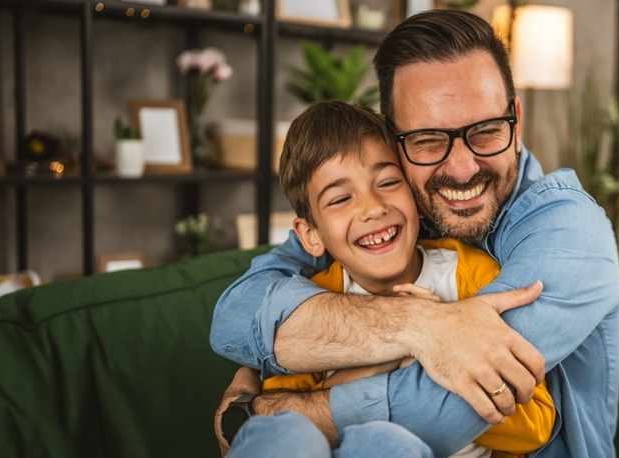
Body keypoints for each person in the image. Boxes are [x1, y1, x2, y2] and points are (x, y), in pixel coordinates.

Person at [211, 9, 619, 458]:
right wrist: (423, 324)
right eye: (428, 140)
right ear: (395, 141)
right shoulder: (397, 207)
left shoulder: (569, 232)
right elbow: (237, 316)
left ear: (516, 120)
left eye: (485, 131)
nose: (462, 168)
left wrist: (277, 409)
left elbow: (445, 412)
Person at [222, 101, 555, 458]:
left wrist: (435, 355)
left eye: (388, 181)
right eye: (339, 199)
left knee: (382, 443)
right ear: (311, 235)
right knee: (283, 434)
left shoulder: (474, 277)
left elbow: (536, 422)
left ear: (415, 191)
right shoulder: (311, 302)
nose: (372, 207)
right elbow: (279, 412)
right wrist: (396, 350)